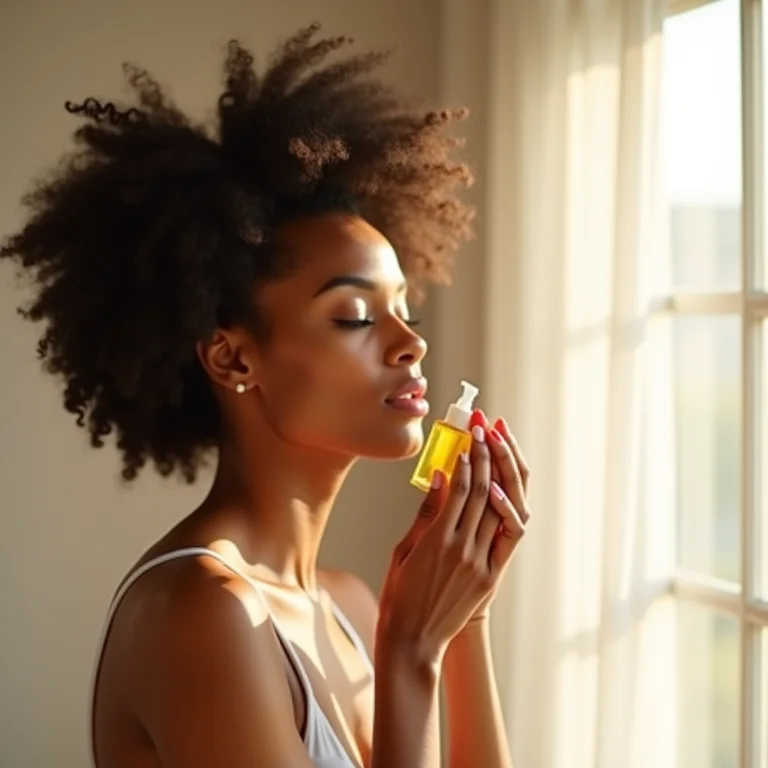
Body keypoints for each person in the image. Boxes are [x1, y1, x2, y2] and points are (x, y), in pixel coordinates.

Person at [1, 24, 531, 768]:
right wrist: (412, 653)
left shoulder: (346, 606)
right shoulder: (201, 613)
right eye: (353, 316)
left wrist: (463, 617)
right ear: (232, 357)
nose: (411, 343)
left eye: (404, 310)